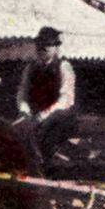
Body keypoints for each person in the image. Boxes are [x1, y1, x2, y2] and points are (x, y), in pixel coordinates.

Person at [16, 27, 78, 169]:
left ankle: (48, 167)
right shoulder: (30, 68)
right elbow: (22, 93)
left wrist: (44, 115)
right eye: (40, 45)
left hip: (59, 115)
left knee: (45, 136)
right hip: (35, 115)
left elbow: (65, 98)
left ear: (56, 48)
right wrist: (24, 111)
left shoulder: (64, 66)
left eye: (47, 45)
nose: (42, 48)